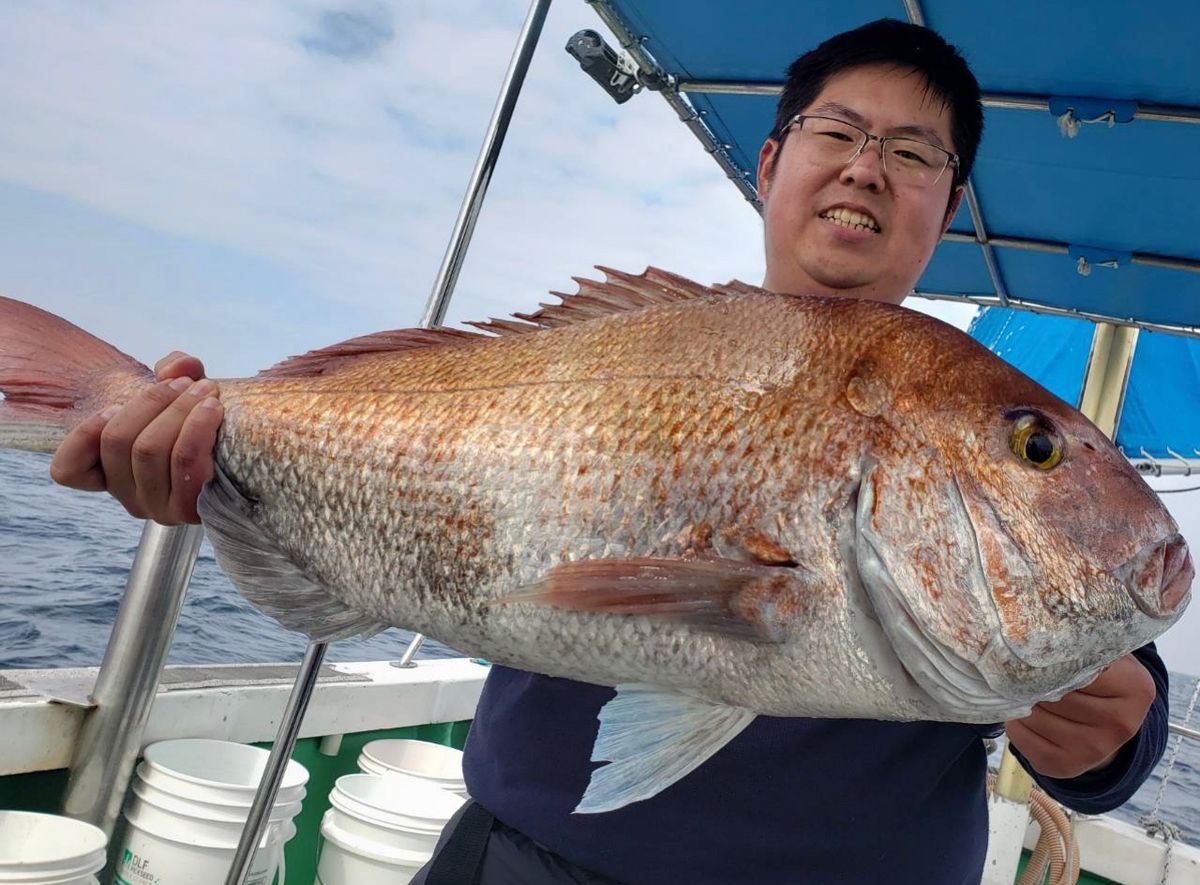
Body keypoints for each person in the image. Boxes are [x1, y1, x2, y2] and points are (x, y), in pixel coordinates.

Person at [50, 18, 1167, 885]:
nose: (866, 169)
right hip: (521, 861)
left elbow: (1119, 693)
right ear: (772, 162)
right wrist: (212, 455)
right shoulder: (636, 345)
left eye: (913, 152)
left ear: (949, 202)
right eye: (837, 133)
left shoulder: (973, 395)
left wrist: (1112, 730)